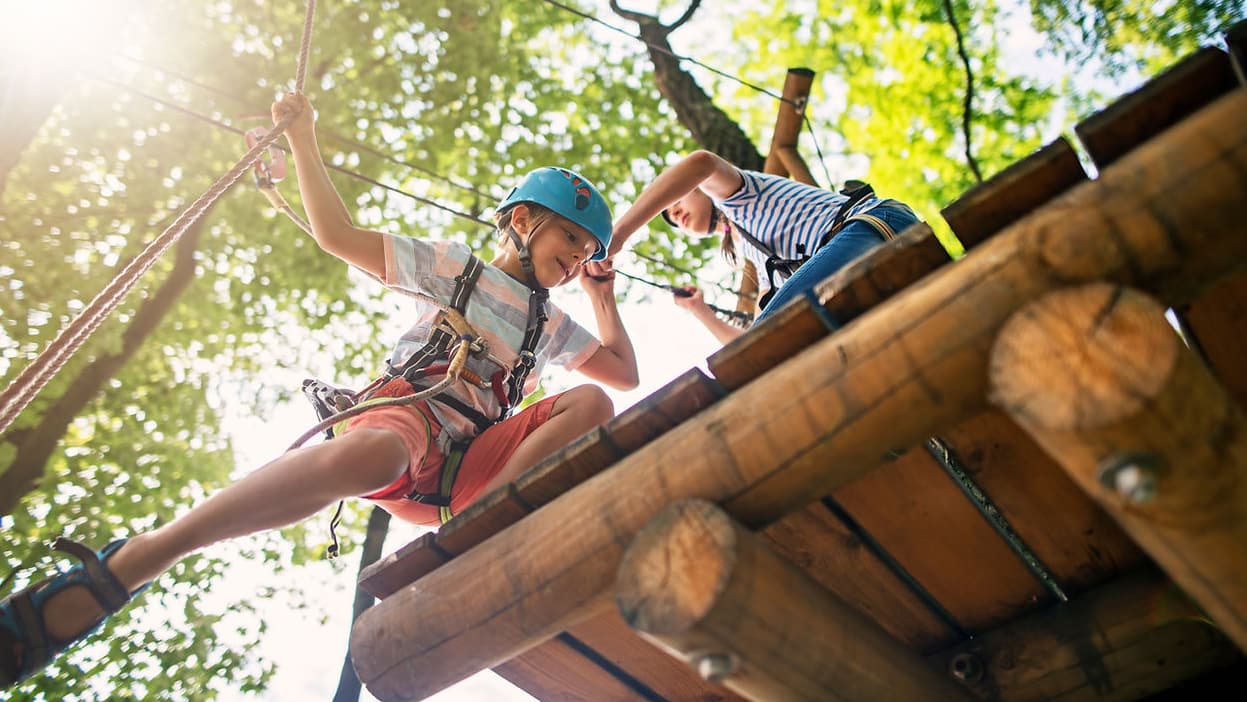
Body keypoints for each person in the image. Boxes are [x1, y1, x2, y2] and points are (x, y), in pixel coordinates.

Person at [0, 92, 638, 688]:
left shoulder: (547, 323)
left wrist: (601, 297)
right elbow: (338, 236)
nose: (579, 257)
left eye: (588, 251)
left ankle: (486, 524)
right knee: (383, 453)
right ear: (522, 221)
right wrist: (304, 140)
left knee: (592, 404)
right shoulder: (454, 268)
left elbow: (621, 372)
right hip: (406, 420)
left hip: (470, 469)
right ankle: (141, 558)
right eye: (571, 239)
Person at [603, 150, 920, 342]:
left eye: (674, 202)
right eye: (671, 222)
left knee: (774, 333)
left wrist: (619, 234)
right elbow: (748, 345)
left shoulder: (741, 197)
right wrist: (699, 311)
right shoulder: (757, 261)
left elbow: (701, 163)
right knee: (764, 345)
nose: (673, 214)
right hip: (854, 256)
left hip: (873, 224)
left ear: (700, 190)